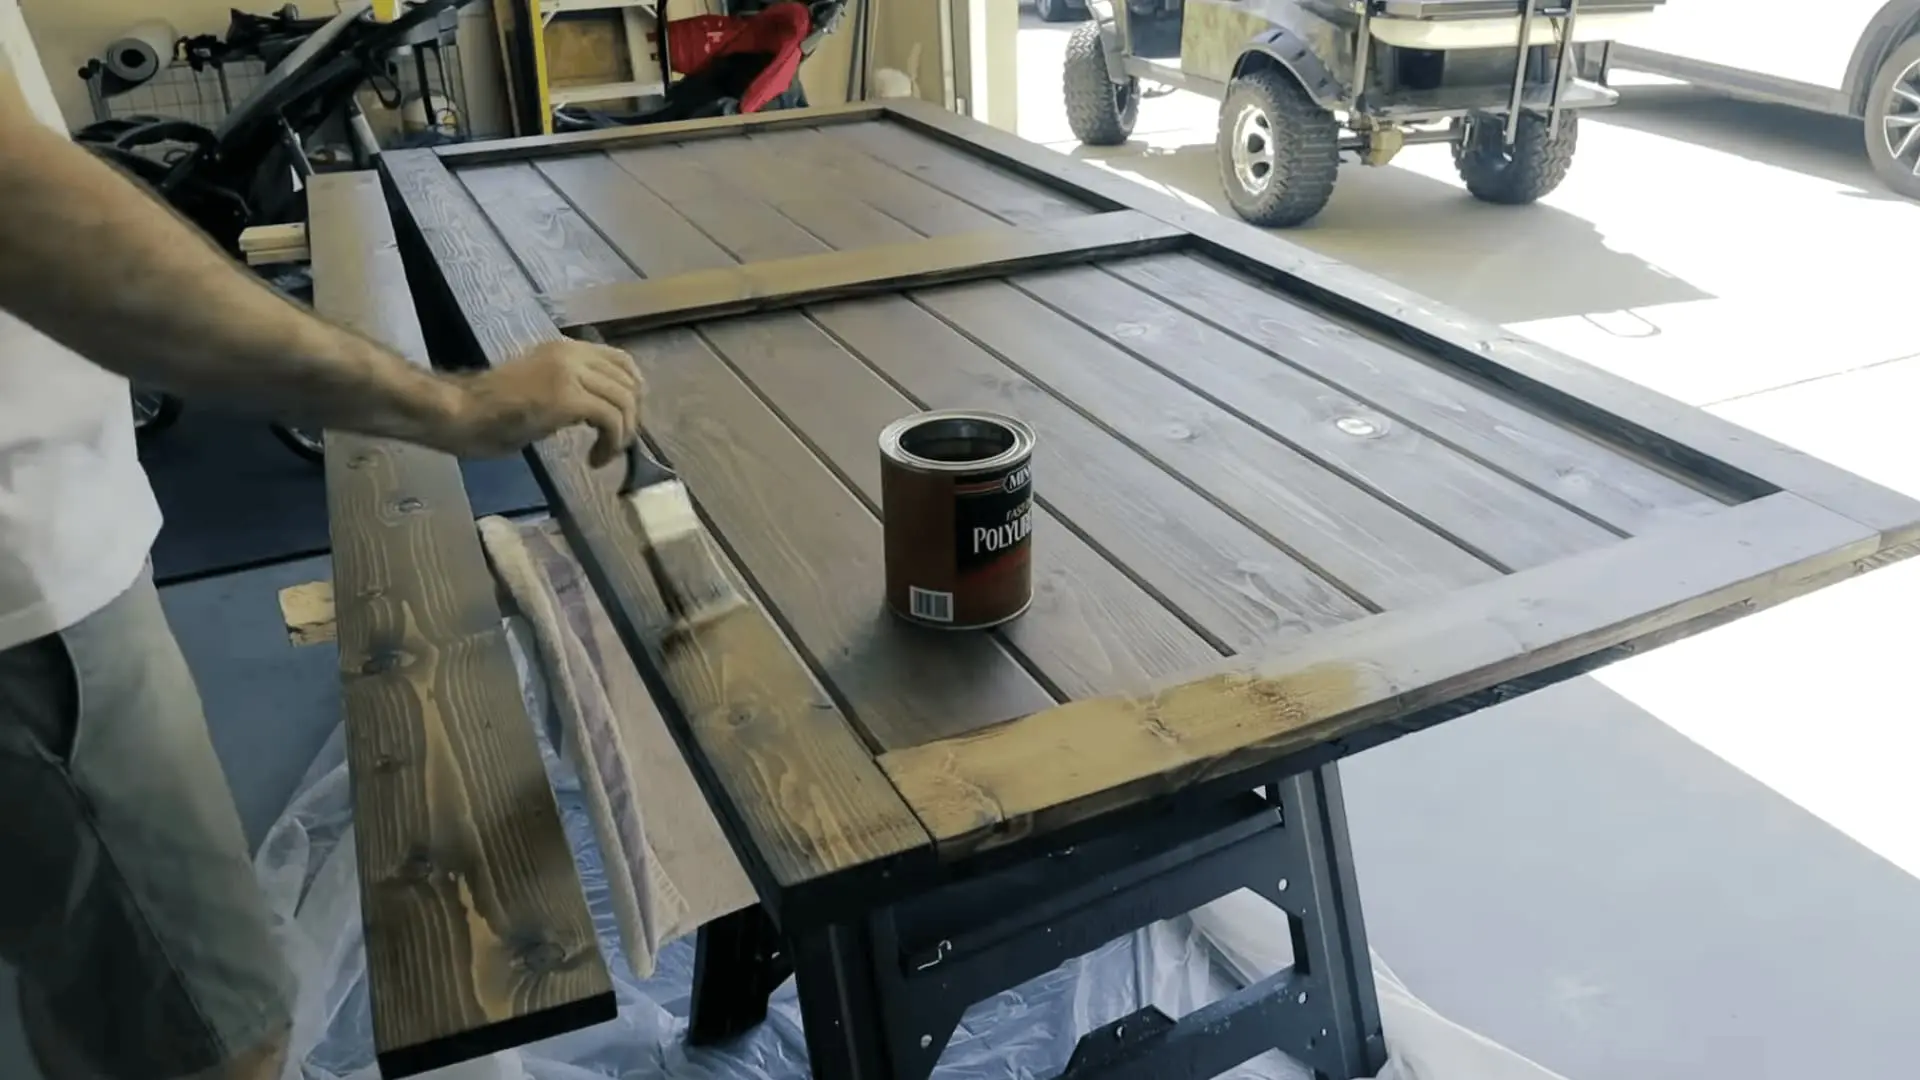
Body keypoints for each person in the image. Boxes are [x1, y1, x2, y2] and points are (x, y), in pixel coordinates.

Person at [0, 52, 643, 1080]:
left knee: (111, 995)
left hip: (56, 567)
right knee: (213, 1041)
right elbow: (21, 206)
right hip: (28, 609)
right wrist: (453, 406)